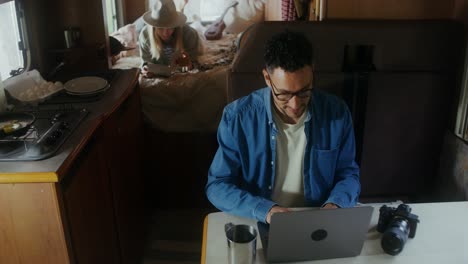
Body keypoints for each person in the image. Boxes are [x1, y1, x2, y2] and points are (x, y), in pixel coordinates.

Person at [205, 30, 361, 224]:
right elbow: (218, 186)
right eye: (284, 94)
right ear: (267, 79)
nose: (295, 105)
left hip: (319, 220)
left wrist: (336, 205)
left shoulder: (337, 113)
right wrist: (266, 210)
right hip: (261, 219)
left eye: (304, 91)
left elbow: (348, 174)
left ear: (313, 72)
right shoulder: (237, 118)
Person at [139, 0, 202, 77]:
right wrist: (145, 70)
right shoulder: (145, 36)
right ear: (153, 27)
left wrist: (190, 65)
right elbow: (145, 63)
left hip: (198, 38)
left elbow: (195, 62)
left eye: (170, 27)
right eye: (160, 28)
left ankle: (196, 20)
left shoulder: (189, 35)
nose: (165, 33)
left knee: (200, 31)